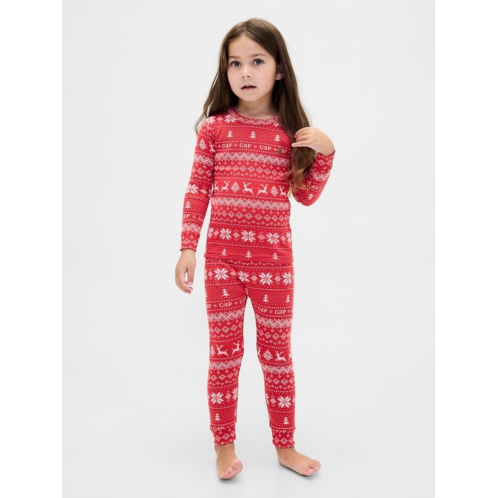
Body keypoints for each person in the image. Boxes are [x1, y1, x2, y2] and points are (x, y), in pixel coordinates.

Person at [175, 18, 336, 480]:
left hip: (274, 266)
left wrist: (325, 154)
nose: (245, 72)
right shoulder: (214, 129)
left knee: (276, 356)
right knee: (224, 355)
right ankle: (223, 447)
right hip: (221, 263)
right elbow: (197, 190)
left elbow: (305, 196)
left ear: (279, 69)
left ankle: (285, 446)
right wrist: (188, 247)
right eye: (235, 63)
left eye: (257, 61)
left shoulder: (291, 132)